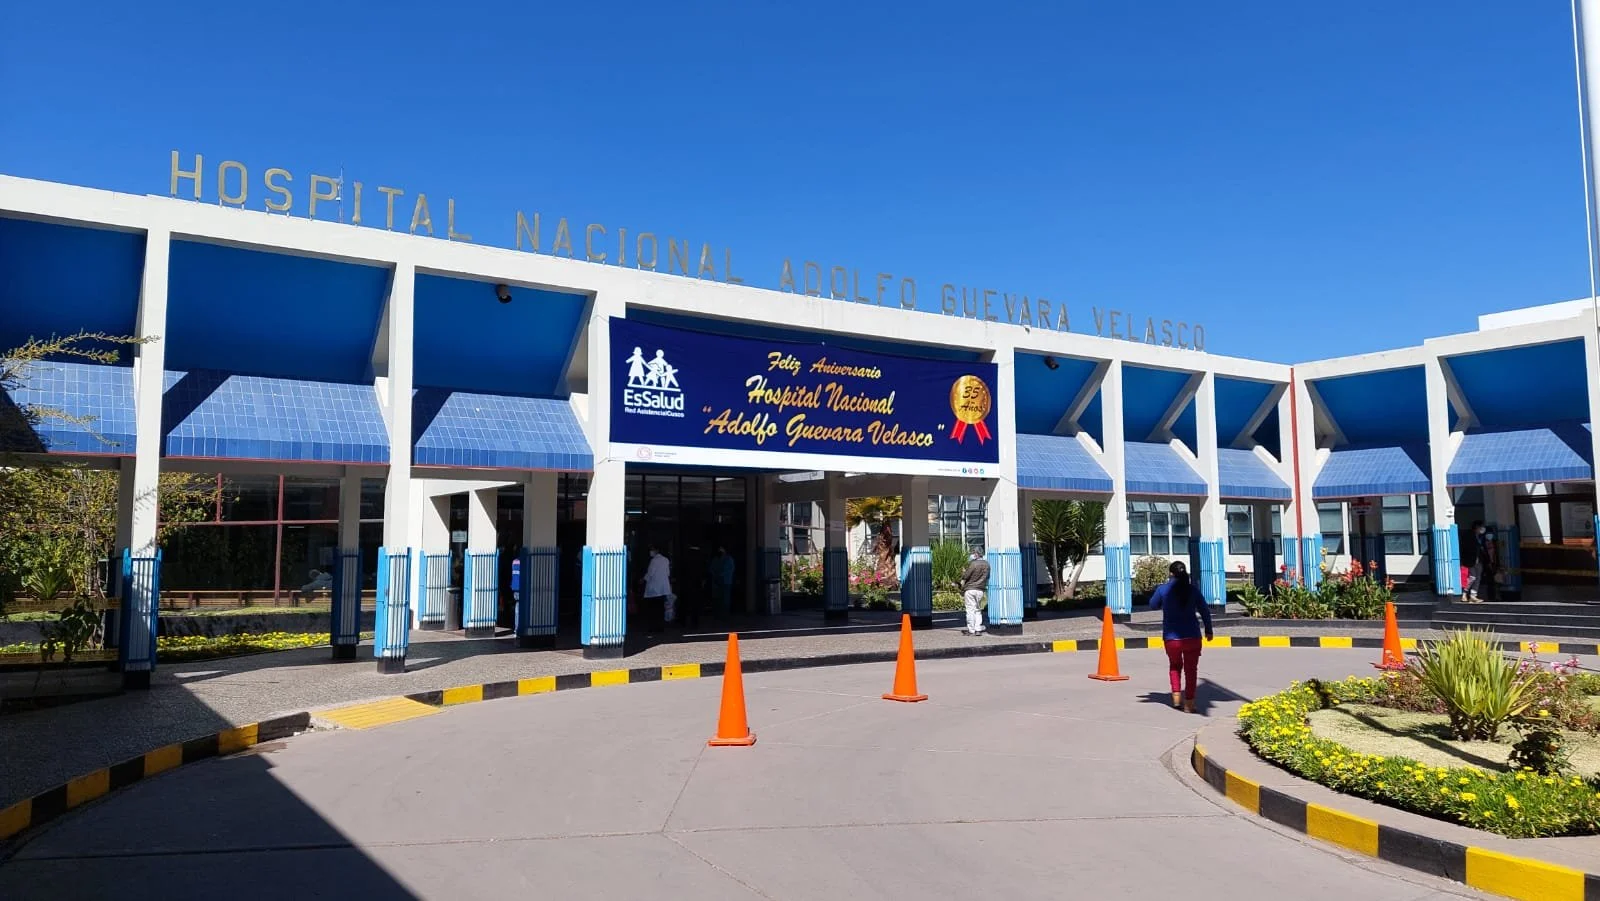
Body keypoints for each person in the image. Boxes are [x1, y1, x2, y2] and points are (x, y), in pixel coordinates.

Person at [1149, 561, 1213, 713]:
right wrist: (1209, 630)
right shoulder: (1193, 590)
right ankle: (1189, 703)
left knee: (1175, 666)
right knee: (1191, 670)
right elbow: (1204, 610)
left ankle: (1176, 698)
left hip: (1172, 638)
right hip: (1192, 636)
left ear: (1171, 573)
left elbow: (1152, 604)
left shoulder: (1163, 589)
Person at [641, 546, 672, 634]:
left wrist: (643, 579)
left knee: (652, 609)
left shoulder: (654, 561)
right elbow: (668, 573)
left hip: (654, 589)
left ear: (656, 551)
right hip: (662, 588)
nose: (650, 552)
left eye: (652, 550)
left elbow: (650, 573)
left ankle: (652, 627)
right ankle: (660, 627)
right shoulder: (666, 560)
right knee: (660, 609)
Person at [959, 550, 990, 636]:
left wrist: (964, 572)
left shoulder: (973, 564)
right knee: (978, 610)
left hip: (970, 589)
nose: (972, 555)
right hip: (980, 589)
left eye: (973, 553)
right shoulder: (987, 564)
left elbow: (966, 576)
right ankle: (978, 629)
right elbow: (987, 577)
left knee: (970, 610)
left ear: (976, 554)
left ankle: (971, 630)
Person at [709, 546, 735, 619]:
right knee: (718, 599)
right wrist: (716, 576)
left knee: (725, 599)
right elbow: (711, 569)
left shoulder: (728, 559)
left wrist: (719, 575)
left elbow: (729, 570)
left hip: (725, 582)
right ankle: (718, 615)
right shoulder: (716, 559)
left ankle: (725, 615)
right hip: (718, 582)